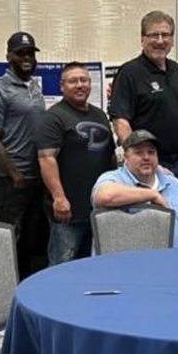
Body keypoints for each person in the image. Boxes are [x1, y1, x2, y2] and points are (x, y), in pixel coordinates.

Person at [35, 61, 116, 265]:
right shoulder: (54, 117)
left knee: (93, 265)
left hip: (99, 209)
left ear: (90, 84)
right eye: (73, 81)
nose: (79, 85)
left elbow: (111, 156)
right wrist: (59, 198)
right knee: (63, 266)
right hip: (68, 212)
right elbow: (46, 158)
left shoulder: (99, 115)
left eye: (84, 80)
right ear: (62, 86)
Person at [0, 31, 48, 277]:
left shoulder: (33, 87)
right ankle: (2, 294)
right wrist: (14, 174)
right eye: (21, 53)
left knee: (31, 241)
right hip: (12, 181)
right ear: (9, 56)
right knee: (8, 239)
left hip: (36, 177)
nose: (27, 58)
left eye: (30, 53)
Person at [91, 129, 178, 248]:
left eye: (151, 152)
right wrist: (152, 195)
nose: (146, 157)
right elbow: (105, 196)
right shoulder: (115, 179)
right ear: (125, 157)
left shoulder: (174, 184)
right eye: (138, 152)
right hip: (138, 268)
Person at [108, 10, 178, 184]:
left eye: (166, 35)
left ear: (172, 40)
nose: (160, 41)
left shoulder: (176, 71)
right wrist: (138, 159)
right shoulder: (129, 73)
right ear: (142, 40)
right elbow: (120, 122)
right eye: (154, 35)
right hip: (147, 167)